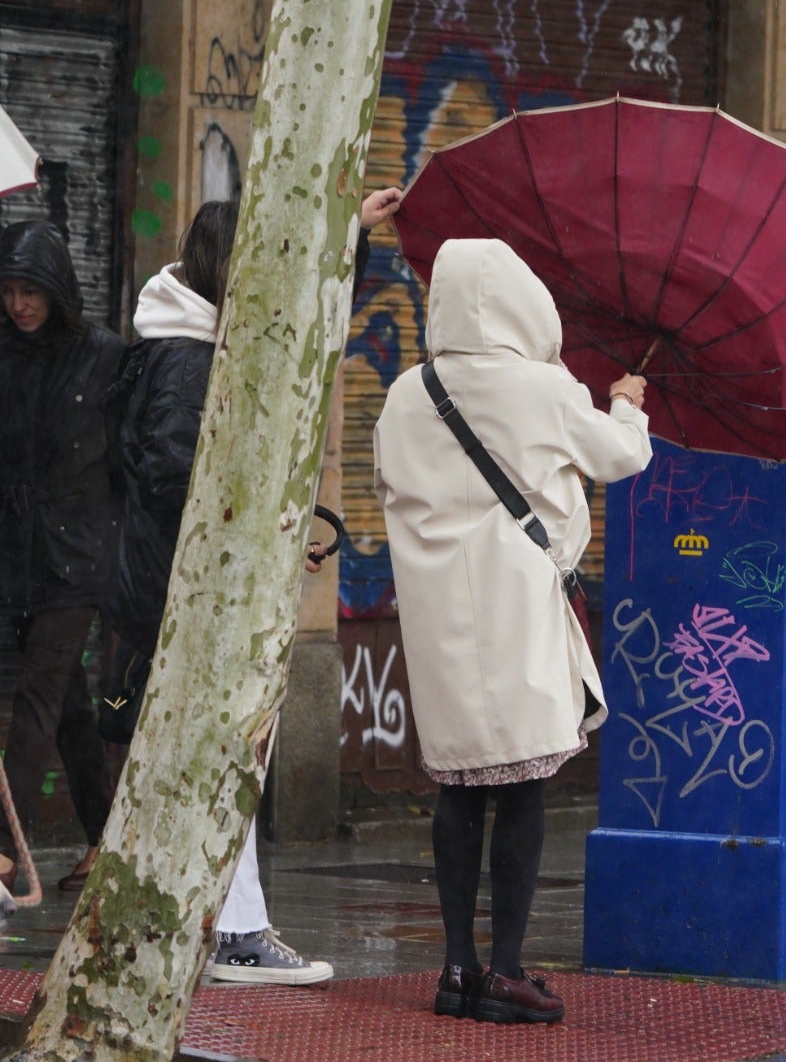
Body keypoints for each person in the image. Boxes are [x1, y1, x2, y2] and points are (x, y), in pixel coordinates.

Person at [102, 187, 402, 987]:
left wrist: (353, 236)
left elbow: (313, 322)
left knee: (198, 760)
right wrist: (257, 540)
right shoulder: (190, 359)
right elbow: (176, 477)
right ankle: (234, 932)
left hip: (184, 589)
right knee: (228, 756)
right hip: (191, 598)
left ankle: (185, 929)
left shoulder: (190, 343)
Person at [372, 238, 652, 1024]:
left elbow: (392, 486)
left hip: (436, 620)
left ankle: (457, 969)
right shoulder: (543, 387)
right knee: (523, 787)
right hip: (518, 610)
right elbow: (621, 456)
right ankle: (506, 971)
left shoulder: (405, 394)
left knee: (458, 784)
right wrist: (626, 400)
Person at [0, 221, 125, 894]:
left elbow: (126, 457)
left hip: (78, 555)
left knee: (35, 696)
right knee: (67, 707)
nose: (19, 305)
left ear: (57, 289)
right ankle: (109, 837)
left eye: (31, 290)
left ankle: (6, 847)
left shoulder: (103, 356)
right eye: (8, 290)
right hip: (13, 555)